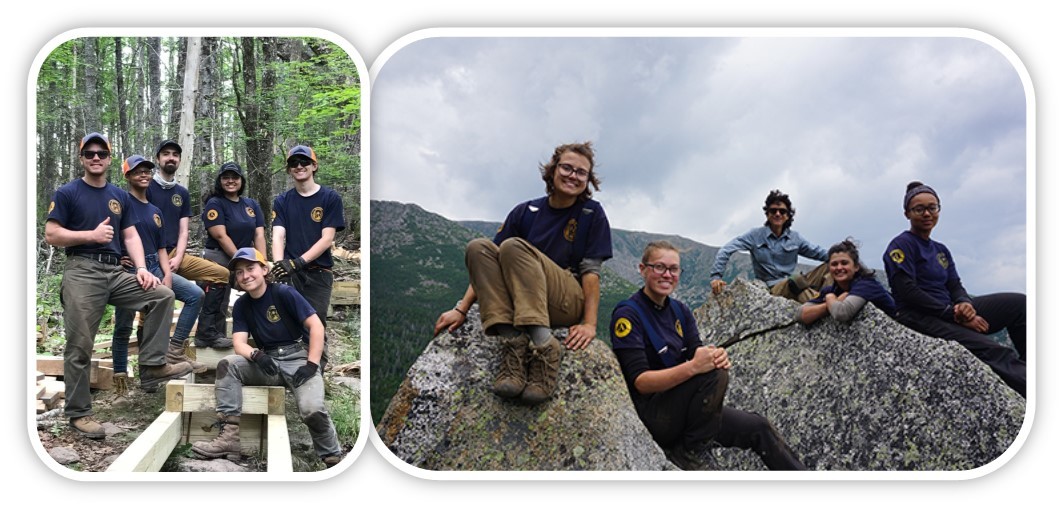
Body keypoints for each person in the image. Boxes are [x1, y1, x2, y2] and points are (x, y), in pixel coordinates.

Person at [433, 142, 612, 405]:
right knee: (478, 248)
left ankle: (545, 347)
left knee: (513, 246)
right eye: (567, 168)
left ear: (588, 181)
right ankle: (513, 341)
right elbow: (487, 269)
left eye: (581, 173)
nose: (573, 176)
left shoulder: (590, 213)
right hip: (522, 299)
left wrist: (589, 323)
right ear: (552, 170)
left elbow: (591, 273)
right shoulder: (525, 211)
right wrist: (461, 309)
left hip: (564, 299)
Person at [44, 132, 192, 439]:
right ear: (81, 158)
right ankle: (79, 413)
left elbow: (130, 237)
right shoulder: (68, 192)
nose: (95, 157)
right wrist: (89, 236)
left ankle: (152, 366)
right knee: (80, 344)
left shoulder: (119, 196)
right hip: (82, 270)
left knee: (162, 295)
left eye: (101, 153)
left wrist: (140, 268)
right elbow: (52, 234)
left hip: (116, 271)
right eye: (89, 153)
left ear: (109, 159)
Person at [610, 241, 806, 470]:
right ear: (643, 269)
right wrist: (694, 367)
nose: (667, 274)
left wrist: (716, 355)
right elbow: (641, 382)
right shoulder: (629, 314)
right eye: (659, 267)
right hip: (654, 416)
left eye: (673, 269)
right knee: (713, 372)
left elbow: (698, 352)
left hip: (686, 411)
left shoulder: (680, 311)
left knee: (758, 426)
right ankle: (691, 453)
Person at [191, 248, 343, 468]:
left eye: (251, 269)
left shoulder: (283, 293)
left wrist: (312, 364)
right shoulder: (242, 305)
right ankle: (229, 439)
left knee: (312, 409)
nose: (246, 276)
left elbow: (316, 325)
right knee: (228, 365)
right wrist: (257, 355)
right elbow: (239, 343)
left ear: (264, 270)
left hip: (298, 359)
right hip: (268, 363)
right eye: (240, 272)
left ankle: (332, 458)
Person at [883, 181, 1026, 397]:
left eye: (933, 207)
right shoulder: (901, 246)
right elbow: (907, 292)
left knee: (1021, 305)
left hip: (951, 310)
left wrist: (965, 304)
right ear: (907, 214)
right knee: (994, 350)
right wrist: (954, 314)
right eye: (919, 209)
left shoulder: (941, 250)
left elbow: (954, 284)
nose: (927, 213)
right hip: (918, 316)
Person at [110, 155, 208, 401]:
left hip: (155, 265)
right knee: (124, 325)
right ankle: (121, 378)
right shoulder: (120, 202)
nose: (143, 175)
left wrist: (166, 274)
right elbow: (111, 235)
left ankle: (173, 352)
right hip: (129, 269)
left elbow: (162, 247)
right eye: (137, 171)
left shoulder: (155, 211)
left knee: (195, 295)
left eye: (146, 171)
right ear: (128, 176)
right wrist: (116, 258)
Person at [146, 139, 230, 351]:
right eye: (166, 153)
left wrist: (178, 257)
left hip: (176, 254)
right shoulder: (146, 186)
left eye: (175, 154)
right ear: (158, 159)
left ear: (180, 160)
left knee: (221, 274)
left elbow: (184, 230)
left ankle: (204, 332)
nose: (171, 157)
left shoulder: (181, 193)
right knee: (151, 304)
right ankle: (151, 355)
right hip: (150, 258)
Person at [269, 145, 346, 368]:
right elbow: (278, 235)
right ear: (289, 169)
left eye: (304, 162)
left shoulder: (330, 198)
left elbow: (327, 238)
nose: (299, 166)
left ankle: (317, 369)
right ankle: (291, 367)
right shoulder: (282, 201)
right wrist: (279, 265)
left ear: (314, 165)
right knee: (289, 320)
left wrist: (300, 261)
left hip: (318, 272)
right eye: (294, 163)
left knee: (315, 321)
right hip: (290, 272)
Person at [710, 190, 829, 302]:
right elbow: (726, 249)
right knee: (796, 280)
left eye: (782, 211)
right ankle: (823, 303)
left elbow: (819, 252)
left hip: (797, 283)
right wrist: (716, 277)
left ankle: (827, 297)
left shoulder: (795, 238)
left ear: (788, 215)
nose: (778, 214)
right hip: (773, 287)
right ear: (767, 214)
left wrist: (843, 254)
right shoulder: (755, 235)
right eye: (773, 211)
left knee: (832, 263)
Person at [197, 162, 266, 348]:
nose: (230, 181)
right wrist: (239, 260)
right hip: (219, 255)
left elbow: (259, 234)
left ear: (241, 180)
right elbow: (220, 235)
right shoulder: (215, 203)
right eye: (226, 177)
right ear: (220, 181)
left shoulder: (251, 205)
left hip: (245, 257)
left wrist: (261, 262)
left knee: (259, 290)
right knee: (217, 296)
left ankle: (262, 331)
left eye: (234, 177)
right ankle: (208, 334)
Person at [797, 239, 896, 325]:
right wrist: (830, 302)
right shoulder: (831, 290)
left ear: (856, 267)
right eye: (834, 264)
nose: (839, 268)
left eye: (844, 263)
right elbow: (800, 314)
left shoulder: (866, 285)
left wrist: (830, 299)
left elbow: (842, 313)